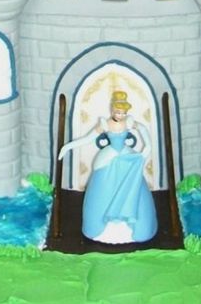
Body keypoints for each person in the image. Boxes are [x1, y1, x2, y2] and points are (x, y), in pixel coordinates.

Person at [58, 90, 157, 245]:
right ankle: (101, 228)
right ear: (112, 110)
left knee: (134, 189)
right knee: (103, 191)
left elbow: (144, 131)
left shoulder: (129, 123)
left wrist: (147, 150)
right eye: (118, 112)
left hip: (127, 159)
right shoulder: (105, 124)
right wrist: (68, 147)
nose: (121, 115)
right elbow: (87, 139)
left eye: (123, 113)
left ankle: (134, 227)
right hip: (108, 160)